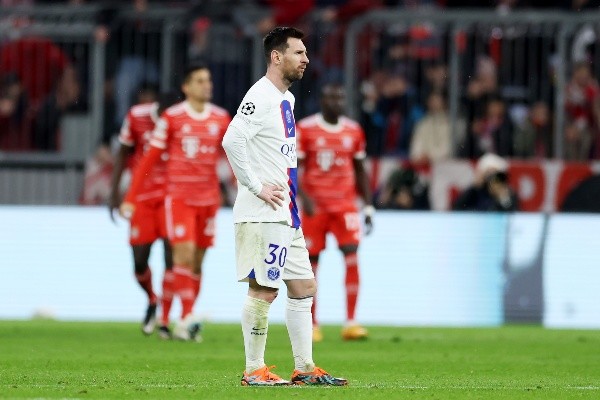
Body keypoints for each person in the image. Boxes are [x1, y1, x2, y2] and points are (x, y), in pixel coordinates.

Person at [221, 27, 347, 386]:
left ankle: (304, 369)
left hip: (286, 215)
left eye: (306, 52)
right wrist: (256, 186)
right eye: (298, 52)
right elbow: (231, 140)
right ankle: (253, 370)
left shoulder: (286, 100)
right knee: (263, 289)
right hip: (263, 214)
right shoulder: (260, 95)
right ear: (277, 57)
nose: (306, 59)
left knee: (304, 286)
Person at [120, 63, 231, 341]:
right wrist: (130, 198)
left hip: (209, 200)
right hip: (179, 198)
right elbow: (147, 160)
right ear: (187, 87)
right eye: (200, 81)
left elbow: (232, 157)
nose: (207, 85)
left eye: (208, 80)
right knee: (182, 255)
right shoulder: (172, 118)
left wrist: (245, 188)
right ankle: (187, 317)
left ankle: (180, 318)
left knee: (196, 262)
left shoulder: (221, 118)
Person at [296, 83, 374, 342]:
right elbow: (293, 169)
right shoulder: (306, 129)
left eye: (340, 97)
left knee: (352, 255)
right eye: (331, 96)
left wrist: (369, 206)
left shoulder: (354, 131)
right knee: (312, 262)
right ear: (322, 99)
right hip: (315, 207)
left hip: (345, 206)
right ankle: (313, 323)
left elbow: (361, 170)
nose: (336, 101)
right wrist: (303, 198)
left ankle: (351, 322)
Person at [109, 91, 180, 339]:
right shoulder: (137, 116)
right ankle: (152, 298)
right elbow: (122, 153)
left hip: (171, 197)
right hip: (141, 198)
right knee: (139, 260)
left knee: (172, 255)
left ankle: (164, 321)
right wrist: (114, 192)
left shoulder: (182, 120)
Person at [452, 153, 519, 212]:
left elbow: (513, 212)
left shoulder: (508, 193)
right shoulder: (476, 192)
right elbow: (457, 208)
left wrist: (503, 197)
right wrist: (474, 186)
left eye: (496, 174)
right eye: (488, 173)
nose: (492, 178)